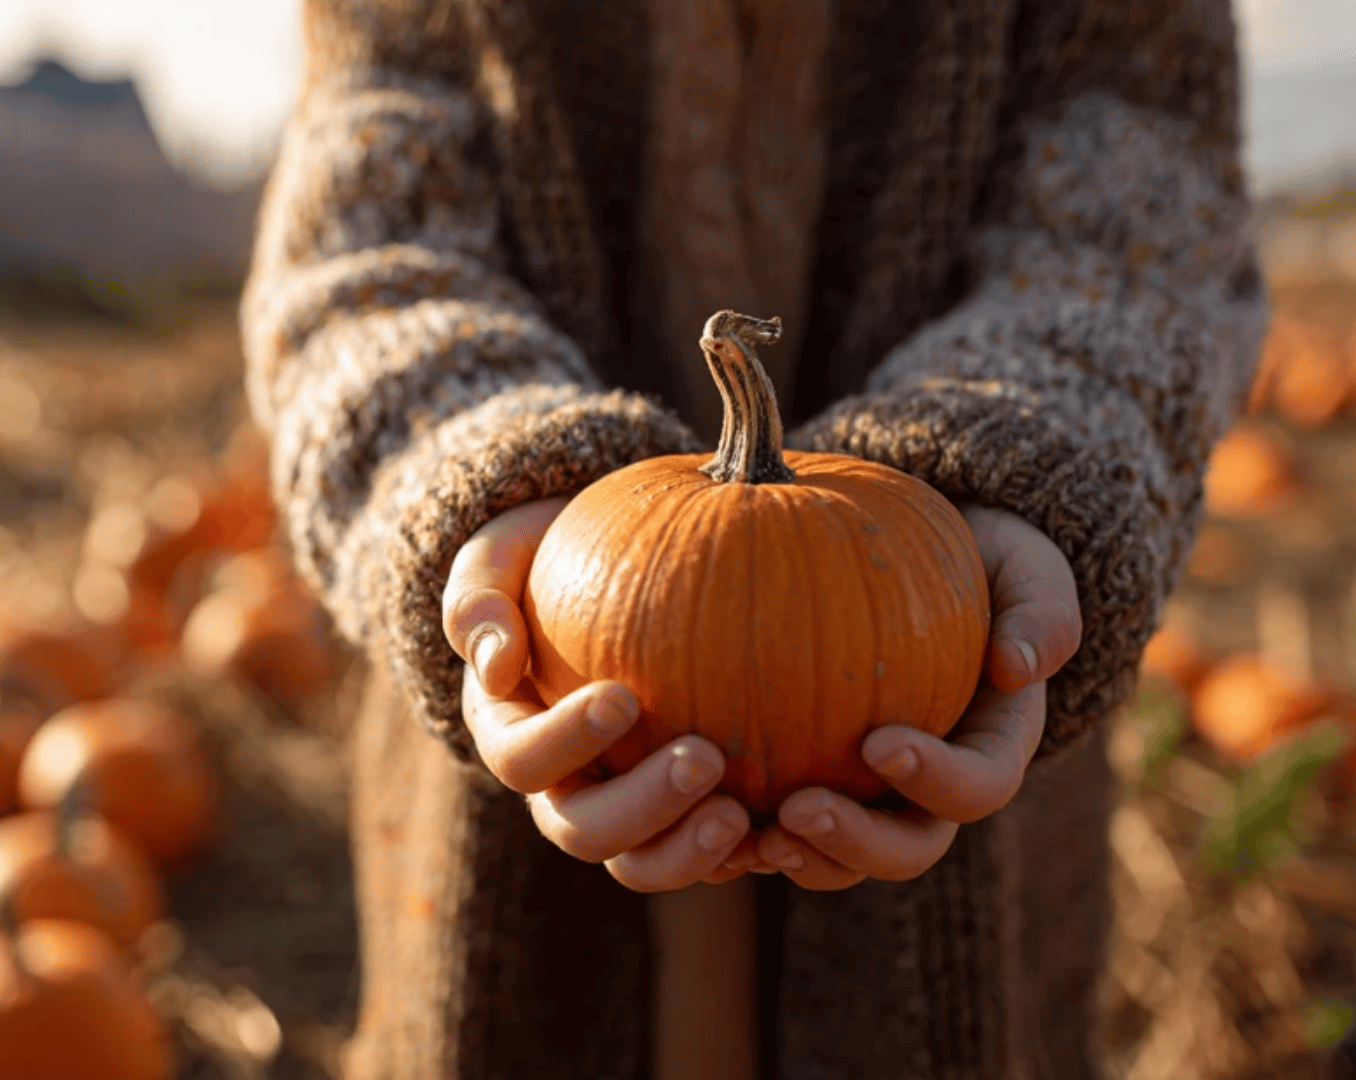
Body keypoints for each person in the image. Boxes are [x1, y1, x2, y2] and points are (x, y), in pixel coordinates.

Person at [238, 1, 1266, 1077]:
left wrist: (1018, 458)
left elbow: (1135, 236)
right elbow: (365, 252)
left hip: (968, 683)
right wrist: (478, 470)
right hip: (527, 690)